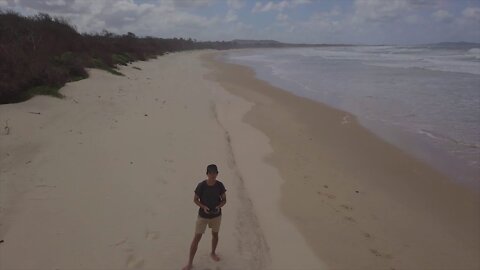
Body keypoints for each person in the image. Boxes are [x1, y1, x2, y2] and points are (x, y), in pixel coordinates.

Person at [182, 164, 227, 270]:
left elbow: (224, 200)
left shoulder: (220, 185)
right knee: (197, 238)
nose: (213, 175)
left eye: (214, 172)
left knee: (215, 235)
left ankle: (213, 253)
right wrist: (204, 207)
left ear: (217, 173)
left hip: (216, 216)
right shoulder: (201, 185)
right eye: (210, 172)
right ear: (207, 173)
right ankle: (190, 263)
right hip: (203, 216)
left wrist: (218, 206)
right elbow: (195, 199)